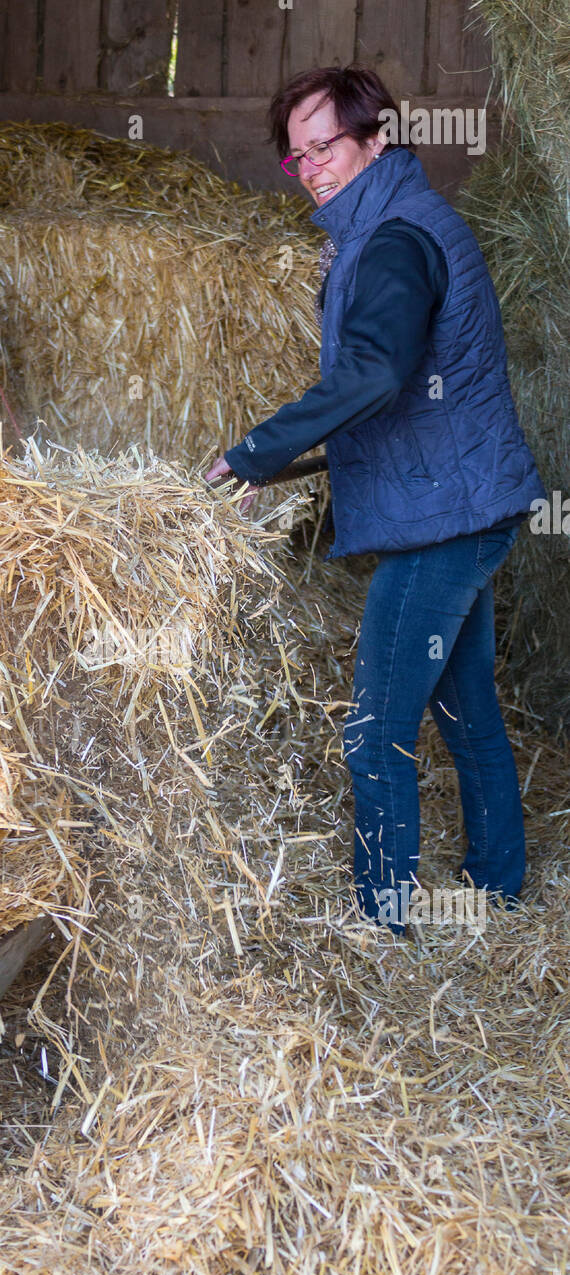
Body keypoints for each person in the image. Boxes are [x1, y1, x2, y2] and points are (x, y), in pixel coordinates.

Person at [205, 67, 544, 935]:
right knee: (467, 711)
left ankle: (380, 924)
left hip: (444, 519)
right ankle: (498, 885)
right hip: (461, 504)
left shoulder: (394, 239)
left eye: (327, 146)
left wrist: (258, 449)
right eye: (297, 155)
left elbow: (377, 371)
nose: (312, 167)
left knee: (376, 730)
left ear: (376, 139)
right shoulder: (392, 223)